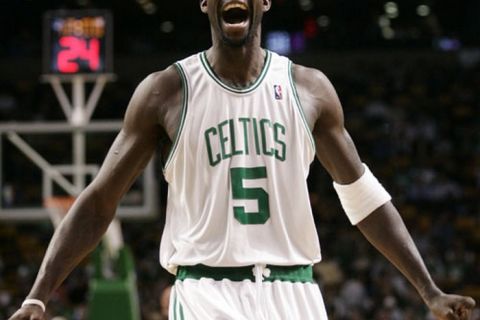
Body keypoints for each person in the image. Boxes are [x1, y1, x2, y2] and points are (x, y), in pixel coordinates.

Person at [9, 0, 476, 319]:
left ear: (266, 2)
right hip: (207, 291)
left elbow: (363, 199)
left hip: (294, 292)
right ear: (205, 4)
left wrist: (428, 289)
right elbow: (98, 203)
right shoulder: (166, 91)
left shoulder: (309, 89)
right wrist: (38, 292)